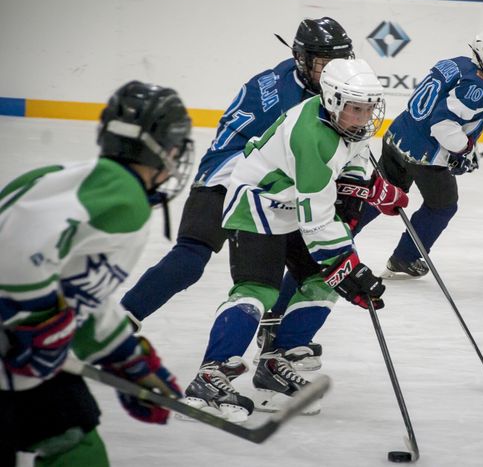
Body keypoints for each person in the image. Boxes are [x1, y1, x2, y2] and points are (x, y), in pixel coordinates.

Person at [183, 58, 406, 420]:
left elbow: (352, 160)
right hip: (258, 204)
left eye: (369, 108)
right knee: (259, 289)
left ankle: (275, 365)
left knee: (322, 282)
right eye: (356, 109)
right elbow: (317, 219)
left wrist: (368, 188)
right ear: (333, 100)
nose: (364, 117)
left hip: (294, 204)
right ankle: (211, 374)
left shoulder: (347, 124)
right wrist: (346, 263)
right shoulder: (311, 135)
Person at [0, 81, 193, 466]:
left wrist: (128, 359)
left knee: (76, 439)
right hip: (12, 349)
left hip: (16, 350)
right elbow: (16, 249)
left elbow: (80, 291)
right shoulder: (122, 195)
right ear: (164, 149)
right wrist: (36, 320)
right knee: (76, 447)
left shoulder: (93, 183)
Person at [120, 17, 353, 327]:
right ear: (302, 58)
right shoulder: (294, 103)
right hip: (230, 179)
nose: (333, 70)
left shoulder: (291, 74)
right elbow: (309, 161)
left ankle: (118, 320)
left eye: (339, 60)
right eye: (324, 62)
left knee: (308, 265)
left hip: (242, 174)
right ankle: (119, 320)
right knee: (195, 259)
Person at [358, 30, 483, 279]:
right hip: (423, 155)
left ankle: (338, 238)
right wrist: (463, 150)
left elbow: (439, 111)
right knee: (442, 206)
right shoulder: (480, 91)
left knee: (381, 192)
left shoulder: (456, 64)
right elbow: (442, 125)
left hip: (397, 136)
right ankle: (405, 257)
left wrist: (462, 149)